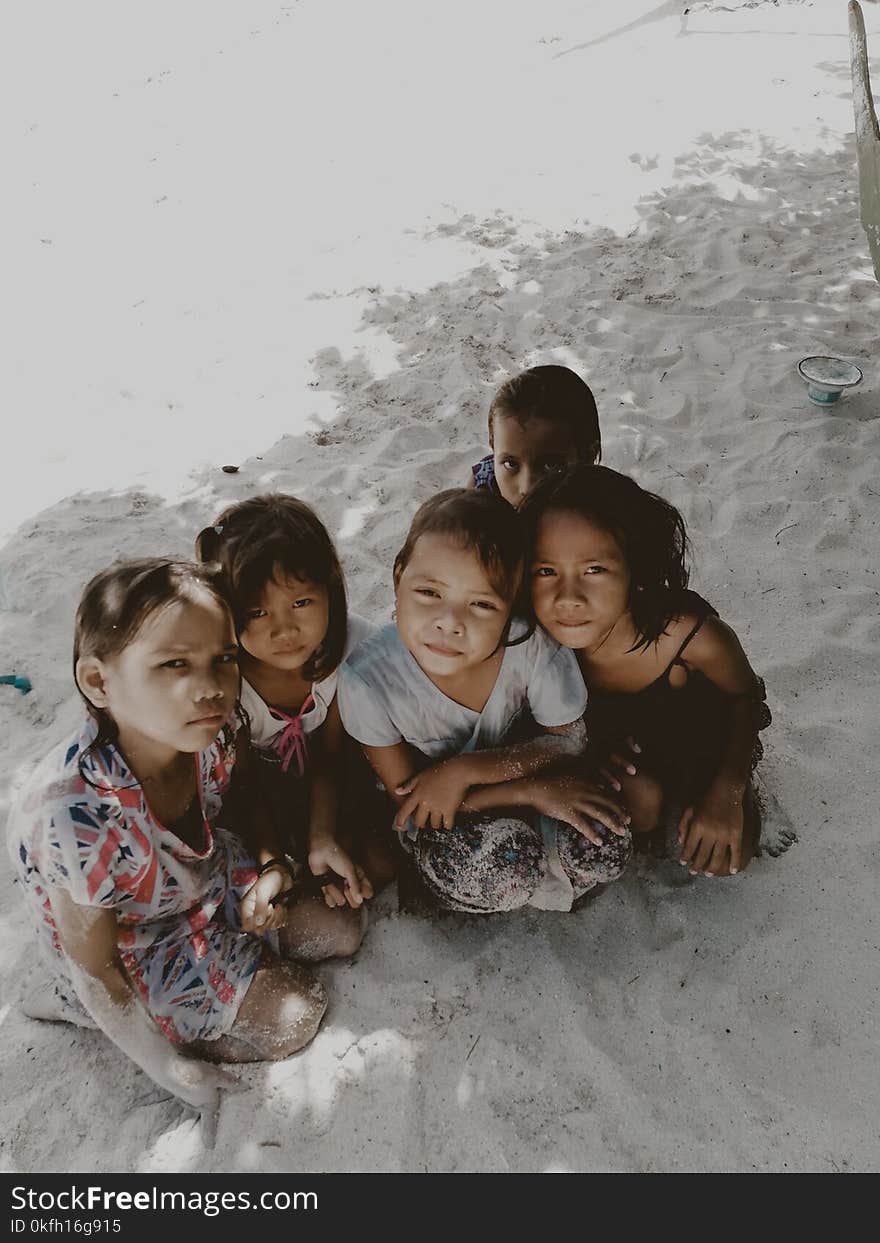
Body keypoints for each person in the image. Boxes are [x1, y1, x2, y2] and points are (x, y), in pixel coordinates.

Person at [8, 559, 362, 1134]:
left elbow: (246, 794)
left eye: (223, 659)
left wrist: (272, 865)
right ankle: (65, 1005)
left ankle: (227, 975)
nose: (211, 686)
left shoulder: (208, 732)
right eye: (174, 664)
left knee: (342, 929)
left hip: (205, 881)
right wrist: (171, 1070)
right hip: (138, 946)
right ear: (98, 682)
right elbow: (97, 968)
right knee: (295, 1017)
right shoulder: (76, 816)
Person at [337, 489, 631, 914]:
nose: (450, 623)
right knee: (504, 869)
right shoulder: (367, 680)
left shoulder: (531, 646)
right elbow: (411, 805)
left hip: (508, 785)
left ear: (510, 608)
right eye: (429, 593)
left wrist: (464, 770)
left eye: (481, 604)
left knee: (604, 845)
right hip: (443, 819)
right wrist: (530, 791)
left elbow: (569, 741)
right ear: (398, 576)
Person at [521, 465, 773, 877]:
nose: (567, 597)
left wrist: (727, 792)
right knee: (642, 805)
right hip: (622, 752)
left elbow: (745, 697)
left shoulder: (689, 636)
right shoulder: (539, 643)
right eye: (546, 571)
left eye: (594, 570)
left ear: (636, 571)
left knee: (729, 858)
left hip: (698, 741)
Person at [197, 494, 394, 912]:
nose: (284, 629)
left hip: (339, 777)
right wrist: (272, 863)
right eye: (257, 612)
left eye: (301, 602)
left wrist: (323, 834)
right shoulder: (227, 678)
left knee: (379, 862)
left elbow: (332, 756)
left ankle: (326, 861)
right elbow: (244, 787)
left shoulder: (353, 650)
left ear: (331, 590)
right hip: (258, 795)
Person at [468, 364, 601, 507]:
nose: (527, 488)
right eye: (511, 464)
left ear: (588, 456)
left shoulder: (601, 512)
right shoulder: (482, 488)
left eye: (550, 466)